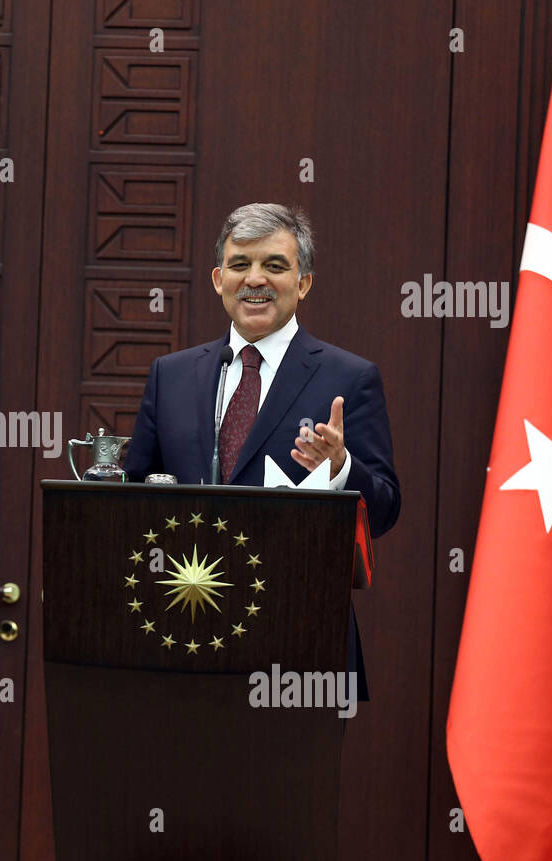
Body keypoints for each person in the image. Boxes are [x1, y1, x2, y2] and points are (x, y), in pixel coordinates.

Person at [124, 202, 400, 696]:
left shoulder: (349, 378)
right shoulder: (172, 375)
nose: (256, 279)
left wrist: (340, 467)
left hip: (298, 651)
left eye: (275, 265)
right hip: (178, 636)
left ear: (303, 283)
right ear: (217, 279)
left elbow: (383, 511)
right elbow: (134, 498)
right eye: (240, 265)